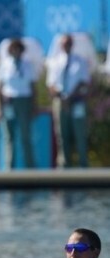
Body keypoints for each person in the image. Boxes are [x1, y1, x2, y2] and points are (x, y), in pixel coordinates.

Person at [46, 33, 91, 168]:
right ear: (60, 45)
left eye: (69, 43)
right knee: (62, 135)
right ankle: (65, 166)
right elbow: (51, 84)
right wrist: (61, 97)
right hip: (60, 102)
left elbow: (84, 82)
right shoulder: (55, 62)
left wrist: (71, 96)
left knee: (79, 134)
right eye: (64, 43)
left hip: (76, 101)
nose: (67, 46)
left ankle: (83, 166)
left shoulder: (80, 61)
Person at [0, 38, 38, 169]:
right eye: (13, 49)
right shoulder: (4, 64)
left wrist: (34, 106)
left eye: (18, 49)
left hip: (24, 101)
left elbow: (33, 87)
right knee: (9, 137)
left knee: (26, 136)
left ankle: (30, 169)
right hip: (9, 101)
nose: (16, 51)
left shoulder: (27, 64)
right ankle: (9, 169)